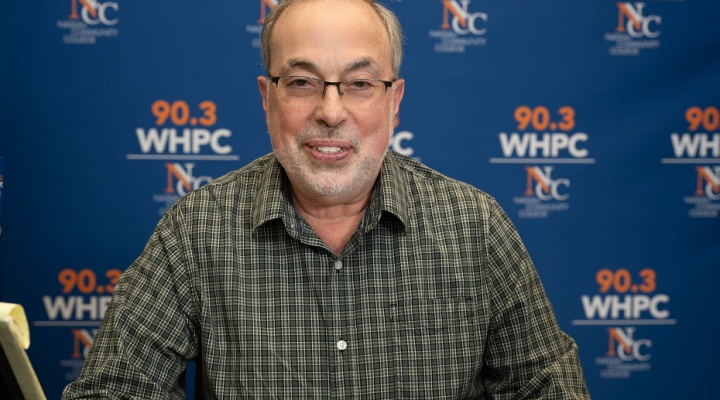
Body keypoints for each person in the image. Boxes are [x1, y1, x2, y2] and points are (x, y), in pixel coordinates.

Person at [63, 0, 591, 398]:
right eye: (301, 82)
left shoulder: (476, 228)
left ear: (394, 101)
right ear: (267, 99)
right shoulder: (195, 232)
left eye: (359, 84)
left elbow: (550, 388)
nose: (331, 111)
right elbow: (113, 390)